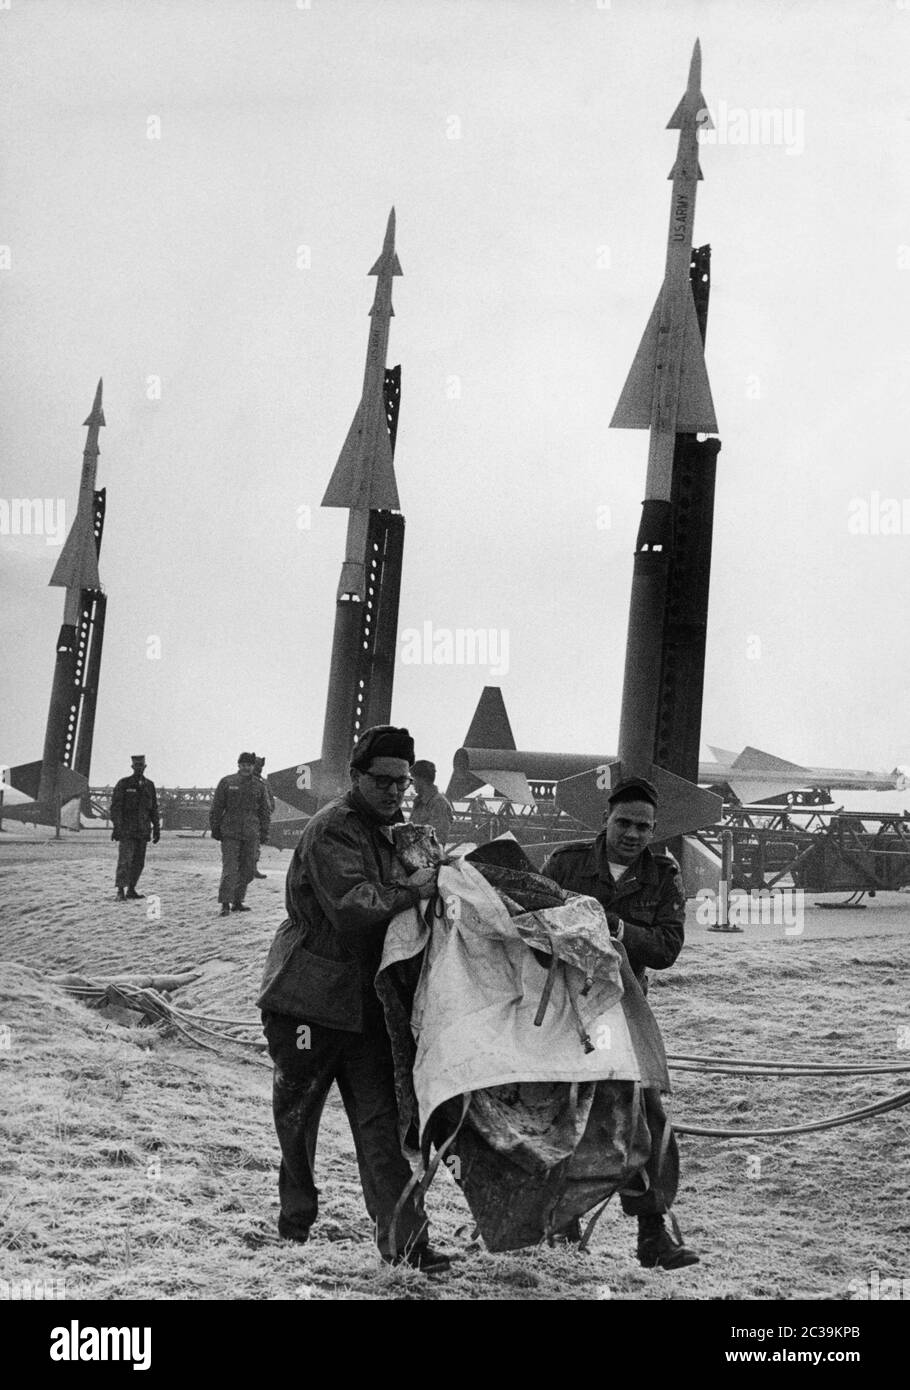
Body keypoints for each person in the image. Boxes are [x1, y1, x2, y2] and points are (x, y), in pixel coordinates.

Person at [257, 724, 450, 1272]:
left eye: (402, 782)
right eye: (383, 780)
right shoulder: (332, 828)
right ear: (355, 776)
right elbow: (351, 905)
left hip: (367, 1008)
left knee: (382, 1128)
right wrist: (417, 887)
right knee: (297, 1118)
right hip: (307, 1001)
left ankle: (407, 1248)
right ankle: (294, 1227)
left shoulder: (398, 833)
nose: (394, 791)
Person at [542, 776, 700, 1271]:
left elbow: (667, 948)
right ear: (605, 821)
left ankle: (652, 1236)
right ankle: (559, 1224)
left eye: (643, 828)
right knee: (560, 1110)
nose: (633, 834)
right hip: (565, 1004)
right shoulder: (566, 863)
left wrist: (613, 927)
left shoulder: (662, 875)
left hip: (626, 1008)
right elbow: (532, 924)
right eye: (624, 823)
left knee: (646, 1117)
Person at [210, 752, 271, 917]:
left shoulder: (259, 786)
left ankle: (238, 901)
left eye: (249, 765)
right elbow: (217, 807)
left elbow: (265, 811)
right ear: (238, 765)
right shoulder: (227, 782)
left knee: (248, 869)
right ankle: (225, 903)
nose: (246, 768)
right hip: (230, 832)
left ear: (253, 767)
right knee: (230, 869)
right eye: (243, 764)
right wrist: (215, 828)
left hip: (251, 833)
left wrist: (264, 832)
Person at [110, 755, 160, 901]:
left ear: (145, 767)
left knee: (139, 862)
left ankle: (131, 889)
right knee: (125, 860)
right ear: (132, 767)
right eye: (136, 766)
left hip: (143, 830)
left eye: (141, 766)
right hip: (127, 830)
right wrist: (117, 827)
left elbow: (154, 809)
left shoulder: (149, 786)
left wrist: (156, 828)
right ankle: (120, 891)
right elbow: (116, 808)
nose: (139, 768)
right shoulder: (124, 784)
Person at [409, 760, 454, 847]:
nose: (411, 783)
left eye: (413, 779)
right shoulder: (419, 801)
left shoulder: (438, 803)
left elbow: (438, 840)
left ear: (422, 779)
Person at [252, 755, 275, 879]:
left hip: (257, 820)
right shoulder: (242, 781)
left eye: (260, 766)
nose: (258, 769)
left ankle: (253, 869)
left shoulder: (264, 783)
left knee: (255, 846)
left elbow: (270, 801)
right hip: (244, 820)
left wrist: (267, 813)